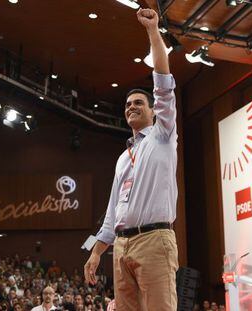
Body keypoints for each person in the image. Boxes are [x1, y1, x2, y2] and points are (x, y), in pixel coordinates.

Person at [83, 7, 179, 311]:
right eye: (127, 104)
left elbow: (163, 83)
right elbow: (113, 213)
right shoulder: (124, 158)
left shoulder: (162, 135)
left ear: (153, 111)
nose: (131, 107)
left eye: (138, 102)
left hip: (154, 240)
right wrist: (97, 252)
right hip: (121, 245)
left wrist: (153, 31)